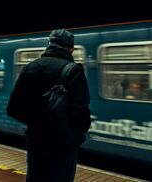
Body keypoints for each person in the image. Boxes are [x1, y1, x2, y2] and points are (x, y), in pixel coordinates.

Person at [6, 29, 91, 182]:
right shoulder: (74, 71)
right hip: (62, 145)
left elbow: (13, 108)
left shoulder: (30, 67)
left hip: (36, 143)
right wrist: (77, 133)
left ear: (50, 44)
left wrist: (36, 122)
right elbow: (81, 112)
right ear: (71, 48)